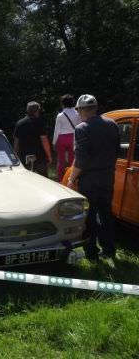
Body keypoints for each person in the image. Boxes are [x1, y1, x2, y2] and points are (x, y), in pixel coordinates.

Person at [66, 94, 120, 260]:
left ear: (82, 110)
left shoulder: (82, 128)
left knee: (89, 216)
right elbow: (117, 150)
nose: (78, 113)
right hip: (107, 176)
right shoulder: (112, 124)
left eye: (78, 110)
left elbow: (81, 160)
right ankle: (109, 249)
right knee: (106, 214)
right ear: (95, 108)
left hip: (89, 180)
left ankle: (91, 253)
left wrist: (71, 179)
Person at [13, 101, 52, 176]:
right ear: (37, 111)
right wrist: (49, 156)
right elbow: (44, 141)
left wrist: (16, 156)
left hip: (24, 157)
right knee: (43, 180)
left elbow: (16, 142)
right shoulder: (40, 123)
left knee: (26, 179)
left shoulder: (19, 123)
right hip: (40, 157)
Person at [53, 94, 81, 181]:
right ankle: (70, 179)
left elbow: (56, 130)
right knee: (72, 160)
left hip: (61, 138)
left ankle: (61, 179)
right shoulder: (77, 113)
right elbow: (79, 126)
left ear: (62, 104)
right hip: (73, 138)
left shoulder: (60, 115)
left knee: (61, 161)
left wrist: (54, 142)